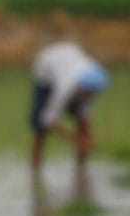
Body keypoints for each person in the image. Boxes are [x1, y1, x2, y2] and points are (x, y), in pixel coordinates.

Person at [30, 41, 110, 174]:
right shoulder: (65, 87)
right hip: (46, 73)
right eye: (87, 92)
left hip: (70, 57)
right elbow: (48, 120)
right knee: (39, 129)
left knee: (83, 125)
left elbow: (85, 113)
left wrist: (88, 138)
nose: (90, 96)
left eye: (92, 93)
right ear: (80, 87)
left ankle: (81, 170)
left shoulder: (94, 84)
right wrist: (72, 138)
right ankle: (34, 170)